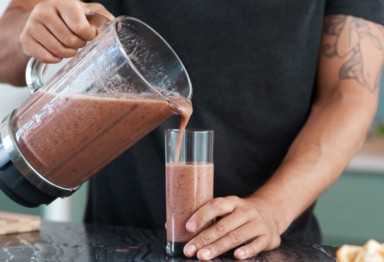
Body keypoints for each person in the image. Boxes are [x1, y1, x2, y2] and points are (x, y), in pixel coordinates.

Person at [0, 0, 383, 260]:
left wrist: (273, 209)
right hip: (115, 241)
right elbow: (6, 53)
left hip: (271, 245)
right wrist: (32, 33)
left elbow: (347, 94)